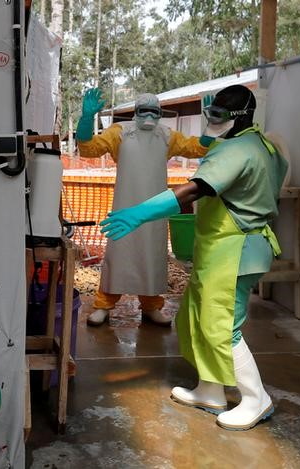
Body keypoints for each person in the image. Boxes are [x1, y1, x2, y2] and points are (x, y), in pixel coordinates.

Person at [99, 84, 288, 430]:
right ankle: (210, 390)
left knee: (221, 327)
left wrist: (140, 212)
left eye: (218, 115)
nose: (212, 121)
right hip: (218, 250)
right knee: (195, 319)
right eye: (209, 113)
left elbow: (194, 189)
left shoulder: (240, 150)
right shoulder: (255, 144)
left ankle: (256, 399)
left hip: (236, 252)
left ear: (240, 117)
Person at [76, 89, 211, 327]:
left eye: (154, 111)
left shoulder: (167, 136)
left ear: (160, 113)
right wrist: (86, 119)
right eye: (143, 111)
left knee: (151, 256)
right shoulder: (120, 133)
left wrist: (211, 128)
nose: (149, 116)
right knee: (119, 254)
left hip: (154, 209)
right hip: (125, 206)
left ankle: (151, 306)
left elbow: (197, 148)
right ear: (135, 112)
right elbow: (89, 148)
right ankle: (104, 304)